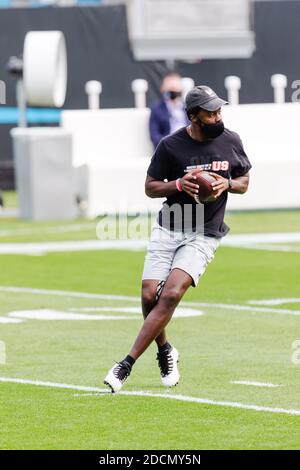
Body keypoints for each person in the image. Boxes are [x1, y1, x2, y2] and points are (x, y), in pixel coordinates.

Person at [104, 85, 252, 393]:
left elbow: (244, 180)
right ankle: (165, 350)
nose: (218, 116)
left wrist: (226, 184)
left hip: (205, 232)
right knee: (149, 296)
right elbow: (150, 186)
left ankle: (125, 364)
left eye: (219, 111)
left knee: (171, 294)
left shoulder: (231, 140)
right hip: (170, 228)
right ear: (194, 116)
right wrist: (178, 184)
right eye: (211, 113)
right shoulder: (171, 146)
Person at [149, 72, 189, 148]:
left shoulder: (188, 107)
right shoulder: (156, 109)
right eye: (170, 88)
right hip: (168, 148)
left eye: (175, 88)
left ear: (181, 88)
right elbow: (154, 136)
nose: (173, 91)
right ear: (162, 89)